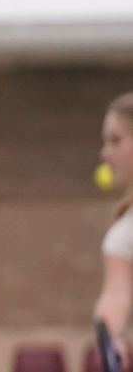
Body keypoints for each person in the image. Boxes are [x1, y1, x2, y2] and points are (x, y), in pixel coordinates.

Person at [93, 92, 133, 365]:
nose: (104, 153)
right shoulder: (123, 235)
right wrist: (111, 337)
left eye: (116, 140)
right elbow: (116, 293)